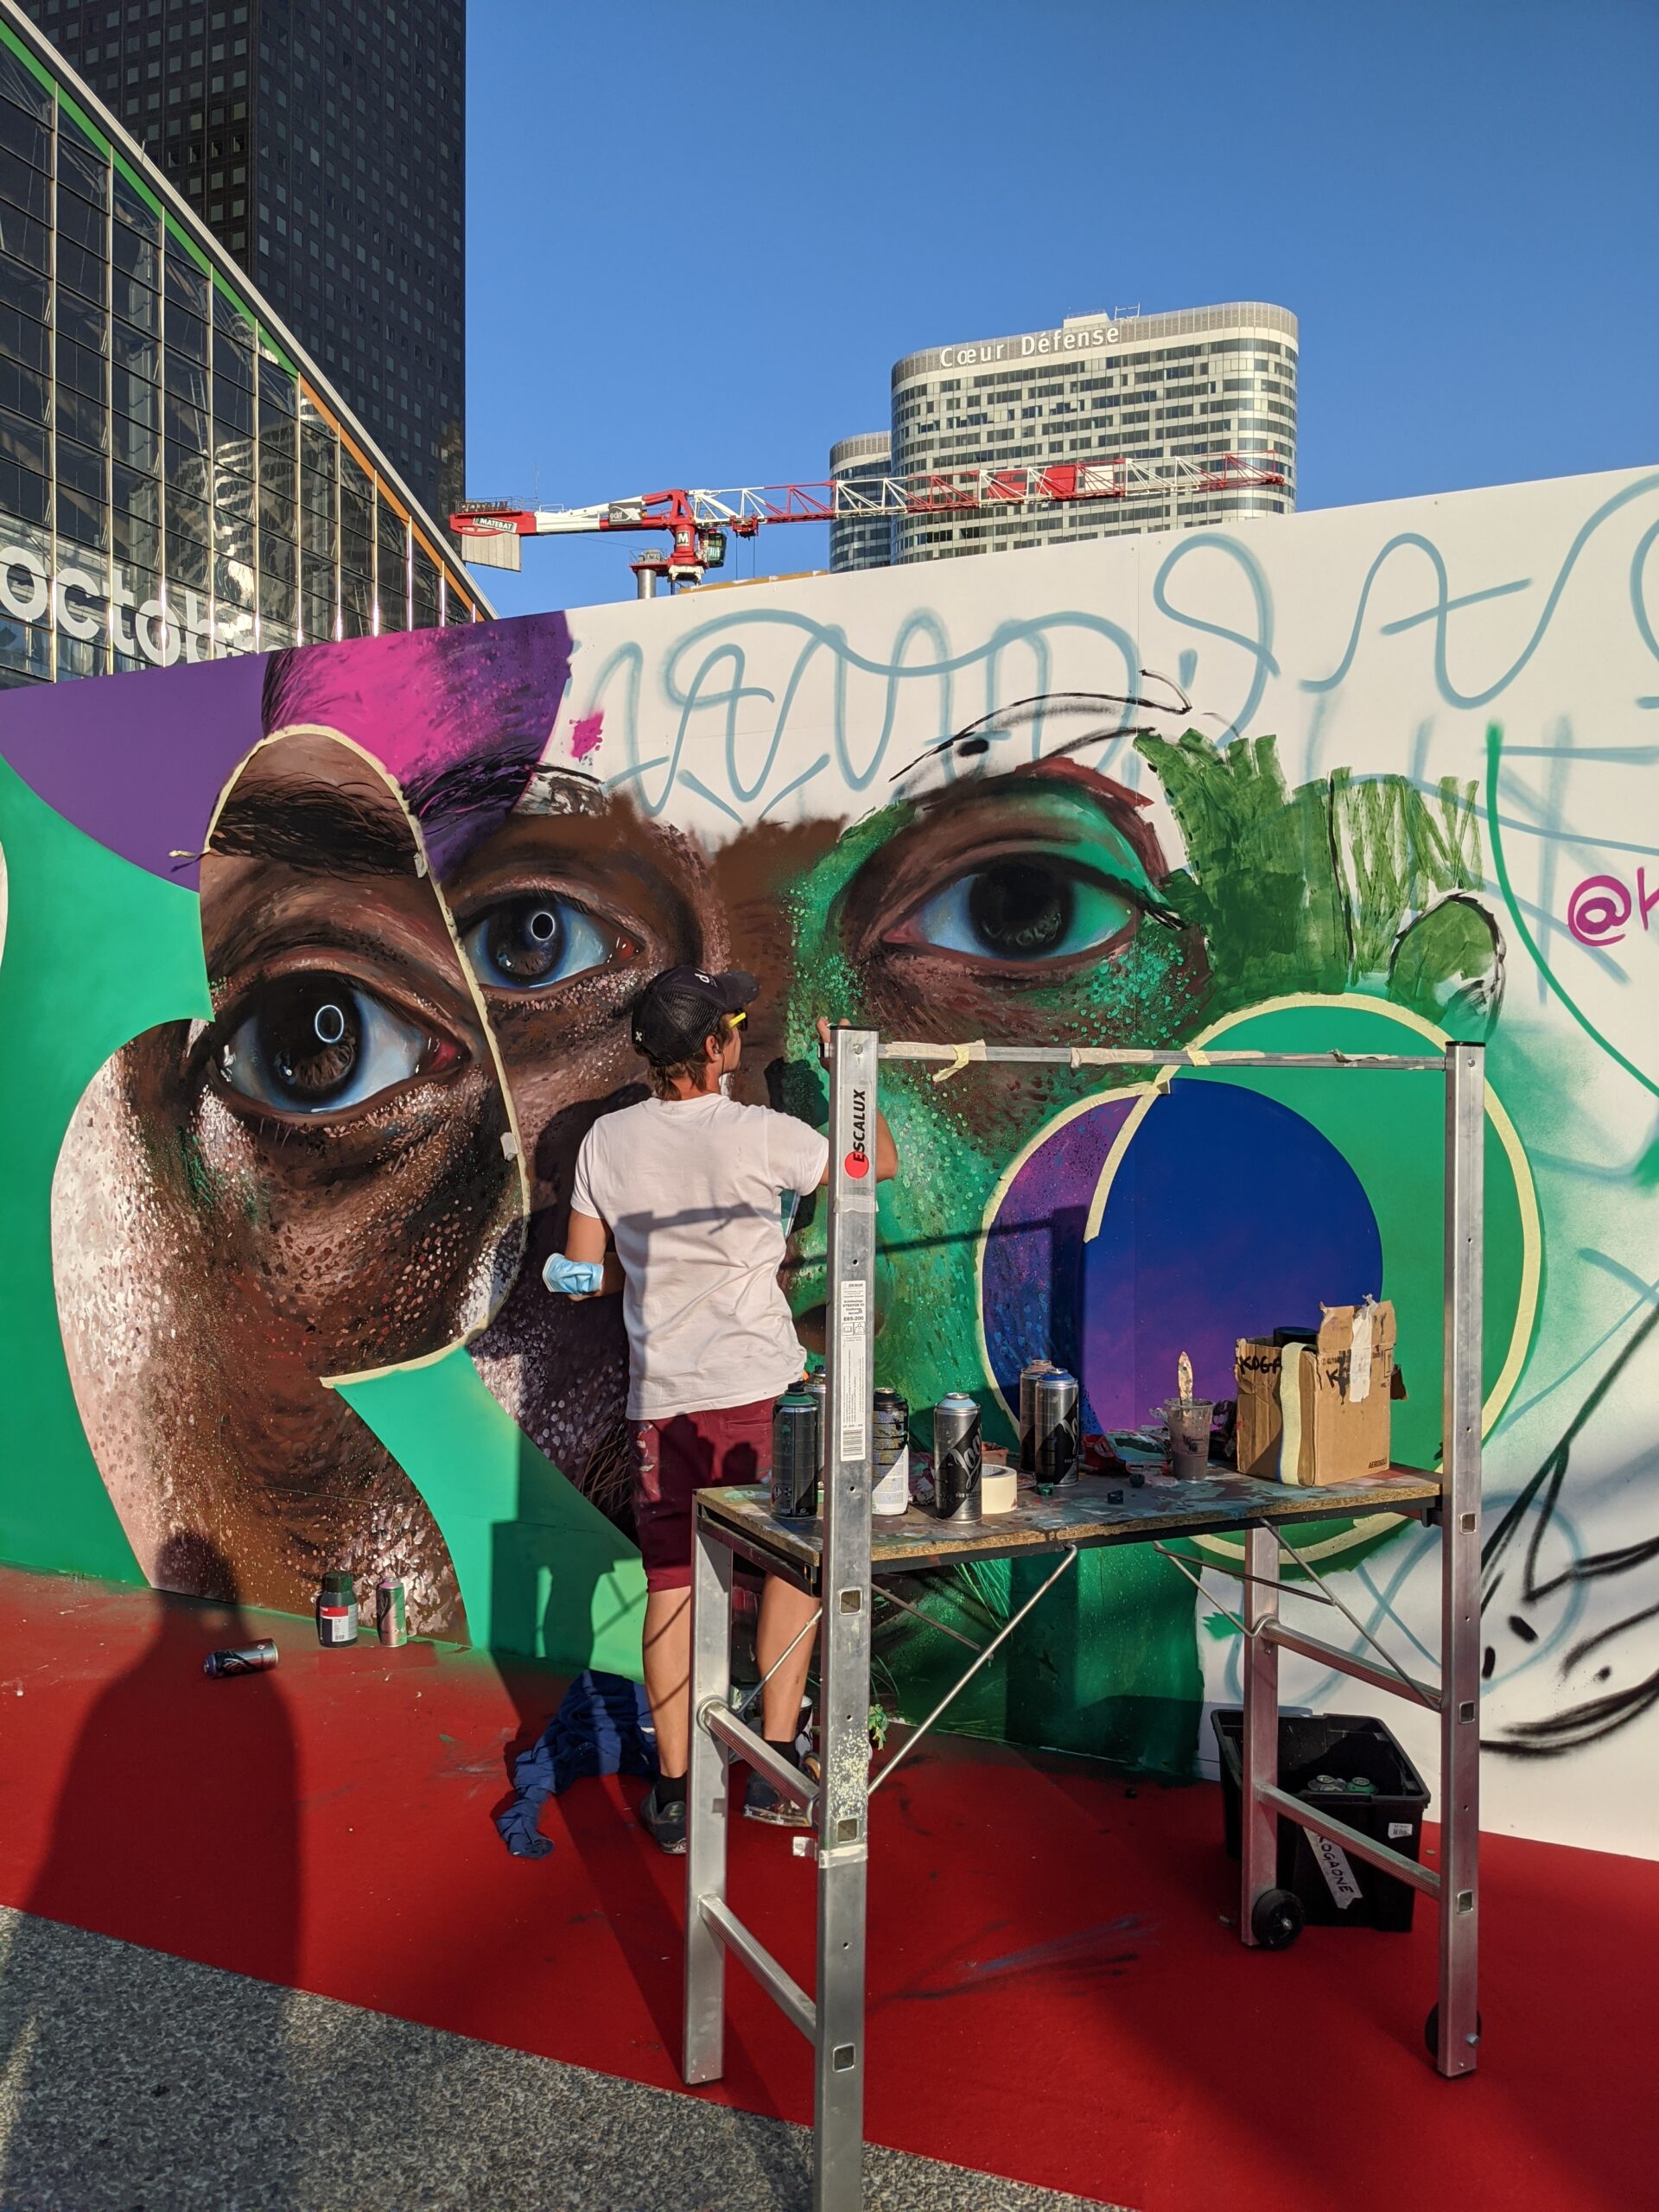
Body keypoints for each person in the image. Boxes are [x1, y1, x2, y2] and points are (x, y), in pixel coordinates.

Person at [543, 966, 899, 1853]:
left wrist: (634, 1270)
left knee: (671, 1586)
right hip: (760, 1398)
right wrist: (850, 1076)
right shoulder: (759, 1134)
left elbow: (577, 1277)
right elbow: (875, 1163)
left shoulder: (605, 1141)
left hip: (662, 1406)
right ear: (714, 1048)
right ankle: (774, 1769)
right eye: (733, 1022)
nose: (741, 1032)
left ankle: (673, 1794)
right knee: (793, 1569)